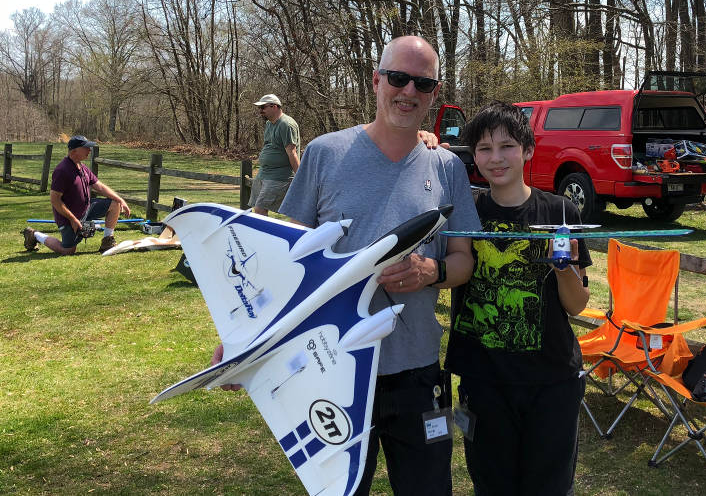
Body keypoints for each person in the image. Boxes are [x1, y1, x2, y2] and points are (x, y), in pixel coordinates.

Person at [213, 36, 480, 495]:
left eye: (422, 83)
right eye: (398, 78)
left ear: (434, 92)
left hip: (417, 371)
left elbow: (463, 261)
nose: (408, 91)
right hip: (329, 367)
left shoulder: (446, 167)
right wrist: (244, 339)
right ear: (376, 81)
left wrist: (431, 272)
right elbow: (286, 263)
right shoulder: (324, 153)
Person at [444, 101, 591, 495]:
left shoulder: (559, 211)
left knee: (549, 487)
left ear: (527, 150)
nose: (496, 158)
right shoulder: (465, 212)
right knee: (491, 486)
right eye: (485, 148)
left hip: (552, 381)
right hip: (482, 381)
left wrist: (563, 267)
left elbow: (577, 304)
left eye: (507, 146)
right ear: (474, 156)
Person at [21, 135, 130, 255]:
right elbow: (55, 200)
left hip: (86, 209)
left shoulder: (82, 168)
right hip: (68, 217)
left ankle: (107, 242)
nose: (89, 150)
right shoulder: (62, 171)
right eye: (86, 148)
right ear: (74, 151)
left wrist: (120, 200)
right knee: (68, 250)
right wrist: (72, 219)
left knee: (115, 204)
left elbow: (99, 186)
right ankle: (34, 235)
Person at [249, 93, 300, 216]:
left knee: (260, 209)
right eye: (259, 108)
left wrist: (300, 177)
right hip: (264, 173)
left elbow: (292, 153)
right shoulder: (269, 124)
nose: (260, 111)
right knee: (256, 209)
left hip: (279, 176)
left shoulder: (286, 124)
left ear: (274, 106)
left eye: (263, 107)